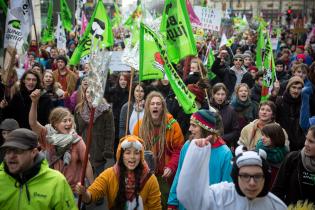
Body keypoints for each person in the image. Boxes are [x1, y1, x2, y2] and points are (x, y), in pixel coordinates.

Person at [176, 139, 287, 210]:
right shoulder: (220, 195)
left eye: (257, 176)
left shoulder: (276, 206)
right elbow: (190, 198)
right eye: (245, 176)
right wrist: (197, 154)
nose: (252, 183)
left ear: (265, 178)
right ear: (236, 176)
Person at [28, 89, 94, 192]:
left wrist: (92, 187)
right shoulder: (47, 136)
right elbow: (32, 123)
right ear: (55, 124)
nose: (68, 124)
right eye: (64, 121)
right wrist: (34, 102)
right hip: (50, 188)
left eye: (69, 120)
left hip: (71, 190)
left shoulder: (77, 140)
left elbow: (87, 164)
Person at [167, 109, 233, 210]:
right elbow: (179, 175)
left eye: (194, 125)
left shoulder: (225, 154)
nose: (189, 129)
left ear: (206, 129)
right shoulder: (188, 146)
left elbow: (227, 189)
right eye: (190, 125)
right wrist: (172, 202)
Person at [75, 135, 162, 210]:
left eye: (136, 153)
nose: (132, 157)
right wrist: (84, 193)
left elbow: (156, 207)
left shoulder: (150, 179)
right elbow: (92, 195)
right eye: (127, 153)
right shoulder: (109, 174)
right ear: (121, 155)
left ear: (141, 156)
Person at [0, 128, 77, 210]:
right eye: (7, 151)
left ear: (33, 152)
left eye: (18, 151)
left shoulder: (56, 181)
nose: (11, 156)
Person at [133, 91, 184, 208]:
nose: (155, 106)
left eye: (158, 104)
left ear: (163, 107)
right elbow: (134, 150)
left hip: (166, 176)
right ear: (148, 107)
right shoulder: (139, 126)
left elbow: (178, 149)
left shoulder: (173, 125)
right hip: (146, 174)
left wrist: (171, 166)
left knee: (167, 203)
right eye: (152, 104)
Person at [74, 86, 115, 177]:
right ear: (84, 94)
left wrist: (107, 150)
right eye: (88, 92)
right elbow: (76, 130)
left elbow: (110, 132)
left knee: (100, 180)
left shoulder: (106, 111)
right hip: (84, 149)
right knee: (86, 180)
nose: (90, 95)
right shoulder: (79, 109)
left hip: (99, 150)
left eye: (93, 92)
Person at [272, 125, 315, 206]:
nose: (305, 144)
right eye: (306, 139)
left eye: (311, 141)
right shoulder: (292, 159)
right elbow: (277, 190)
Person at [210, 83, 240, 148]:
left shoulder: (231, 110)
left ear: (226, 95)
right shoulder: (208, 108)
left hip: (224, 145)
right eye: (218, 94)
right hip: (209, 144)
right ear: (213, 95)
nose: (220, 97)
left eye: (222, 94)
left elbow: (236, 131)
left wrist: (222, 138)